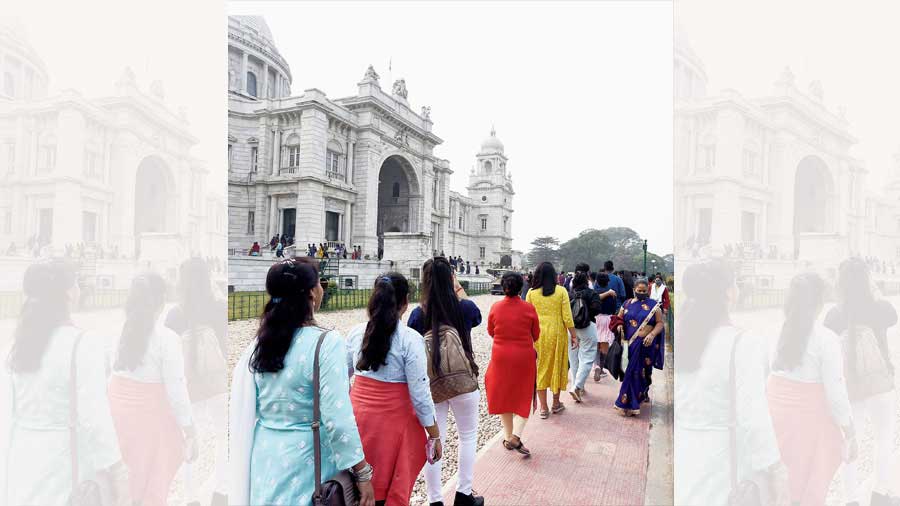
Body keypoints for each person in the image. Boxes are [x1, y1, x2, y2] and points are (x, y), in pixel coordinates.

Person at [228, 257, 375, 506]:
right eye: (320, 284)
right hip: (308, 460)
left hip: (265, 454)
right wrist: (362, 472)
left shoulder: (260, 343)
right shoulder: (325, 344)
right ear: (311, 293)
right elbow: (338, 419)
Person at [4, 261, 123, 505]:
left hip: (20, 456)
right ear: (69, 292)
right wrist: (114, 466)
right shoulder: (82, 344)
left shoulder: (17, 344)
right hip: (64, 460)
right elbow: (94, 416)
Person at [674, 260, 781, 506]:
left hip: (684, 451)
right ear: (728, 293)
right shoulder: (745, 344)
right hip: (724, 461)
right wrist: (773, 470)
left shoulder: (682, 338)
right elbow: (754, 417)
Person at [347, 273, 442, 506]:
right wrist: (434, 434)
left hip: (357, 418)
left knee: (354, 488)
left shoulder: (355, 333)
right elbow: (420, 396)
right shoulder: (410, 339)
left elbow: (341, 380)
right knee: (387, 490)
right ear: (405, 303)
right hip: (393, 427)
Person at [109, 272, 198, 506]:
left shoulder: (117, 331)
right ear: (160, 303)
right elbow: (176, 390)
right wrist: (188, 428)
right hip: (150, 420)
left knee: (125, 484)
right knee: (151, 485)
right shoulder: (166, 339)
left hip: (118, 413)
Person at [768, 272, 855, 506]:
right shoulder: (826, 339)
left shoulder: (776, 331)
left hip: (777, 417)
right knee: (808, 489)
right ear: (819, 304)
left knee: (782, 488)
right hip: (810, 426)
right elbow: (836, 393)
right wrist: (849, 430)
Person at [407, 257, 484, 506]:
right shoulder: (465, 309)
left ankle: (435, 500)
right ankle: (463, 494)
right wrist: (458, 290)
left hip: (431, 383)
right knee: (468, 436)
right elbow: (477, 317)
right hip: (462, 378)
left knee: (434, 440)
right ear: (451, 279)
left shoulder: (419, 314)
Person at [824, 258, 899, 506]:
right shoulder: (881, 309)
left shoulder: (834, 315)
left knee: (850, 440)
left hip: (850, 385)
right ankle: (880, 493)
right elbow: (893, 316)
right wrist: (874, 291)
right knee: (883, 437)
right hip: (879, 384)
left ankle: (850, 499)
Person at [164, 258, 229, 506]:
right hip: (216, 382)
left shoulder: (175, 313)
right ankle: (221, 492)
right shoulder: (218, 307)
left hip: (188, 385)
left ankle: (191, 497)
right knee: (223, 438)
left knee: (192, 439)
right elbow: (225, 346)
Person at [485, 273, 540, 456]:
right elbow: (536, 334)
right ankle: (515, 436)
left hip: (500, 356)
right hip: (523, 356)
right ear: (521, 287)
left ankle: (509, 438)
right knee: (524, 394)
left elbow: (491, 331)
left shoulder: (495, 307)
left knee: (504, 396)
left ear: (503, 286)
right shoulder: (529, 308)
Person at [526, 262, 576, 419]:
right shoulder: (561, 291)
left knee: (540, 368)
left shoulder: (531, 293)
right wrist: (574, 335)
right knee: (557, 365)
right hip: (557, 333)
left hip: (538, 334)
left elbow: (527, 316)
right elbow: (567, 316)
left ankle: (543, 408)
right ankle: (556, 403)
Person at [610, 277, 665, 416]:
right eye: (639, 290)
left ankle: (642, 392)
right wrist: (620, 326)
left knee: (645, 373)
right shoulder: (627, 304)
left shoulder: (654, 305)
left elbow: (659, 323)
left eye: (644, 291)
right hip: (630, 345)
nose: (641, 293)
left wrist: (652, 335)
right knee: (631, 372)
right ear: (634, 290)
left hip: (646, 345)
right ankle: (627, 403)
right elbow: (618, 318)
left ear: (648, 290)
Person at [568, 271, 614, 401]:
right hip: (588, 327)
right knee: (587, 358)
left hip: (571, 329)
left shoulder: (569, 294)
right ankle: (577, 386)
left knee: (573, 359)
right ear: (587, 281)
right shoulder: (591, 293)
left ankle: (577, 386)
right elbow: (597, 309)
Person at [593, 273, 618, 381]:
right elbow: (614, 307)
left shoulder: (595, 292)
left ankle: (596, 366)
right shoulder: (612, 293)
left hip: (596, 318)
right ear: (608, 281)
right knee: (604, 345)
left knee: (596, 345)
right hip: (608, 319)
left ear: (597, 281)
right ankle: (601, 367)